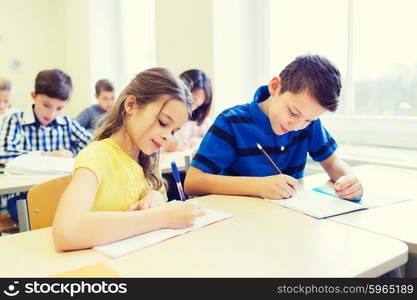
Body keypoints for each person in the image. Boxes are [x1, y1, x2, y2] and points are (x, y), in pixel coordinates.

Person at [53, 68, 206, 251]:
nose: (168, 137)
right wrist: (163, 217)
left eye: (173, 131)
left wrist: (154, 195)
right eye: (163, 123)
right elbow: (67, 231)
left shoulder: (148, 157)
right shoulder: (96, 156)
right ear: (131, 105)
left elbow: (156, 199)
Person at [184, 54, 364, 201]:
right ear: (275, 86)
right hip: (240, 224)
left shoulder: (308, 124)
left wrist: (350, 180)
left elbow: (332, 162)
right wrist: (259, 186)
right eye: (293, 113)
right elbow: (193, 182)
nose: (297, 125)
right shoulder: (231, 122)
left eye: (308, 120)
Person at [0, 69, 93, 220]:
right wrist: (45, 155)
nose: (51, 114)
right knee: (50, 219)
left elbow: (94, 145)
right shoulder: (14, 120)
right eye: (46, 105)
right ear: (33, 96)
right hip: (24, 197)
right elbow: (2, 153)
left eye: (59, 108)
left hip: (63, 193)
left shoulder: (67, 123)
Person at [163, 69, 212, 152]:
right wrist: (165, 147)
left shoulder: (201, 121)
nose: (193, 108)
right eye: (193, 101)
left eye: (199, 105)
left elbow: (214, 142)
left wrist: (200, 141)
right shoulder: (162, 116)